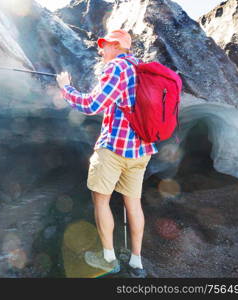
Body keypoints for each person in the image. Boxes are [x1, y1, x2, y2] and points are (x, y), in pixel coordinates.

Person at [56, 29, 158, 278]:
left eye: (104, 46)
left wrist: (66, 88)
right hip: (141, 149)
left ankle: (109, 259)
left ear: (114, 46)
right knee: (133, 204)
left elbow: (92, 105)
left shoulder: (116, 68)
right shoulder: (142, 68)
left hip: (114, 148)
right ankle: (136, 262)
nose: (101, 50)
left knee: (101, 201)